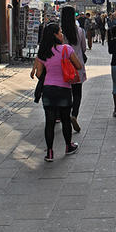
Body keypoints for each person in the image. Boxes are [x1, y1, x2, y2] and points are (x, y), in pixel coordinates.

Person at [31, 22, 81, 162]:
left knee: (50, 122)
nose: (62, 34)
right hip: (64, 89)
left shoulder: (43, 52)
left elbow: (39, 74)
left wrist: (50, 74)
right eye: (60, 32)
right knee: (65, 119)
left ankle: (50, 153)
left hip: (48, 90)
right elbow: (78, 66)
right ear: (55, 35)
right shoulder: (67, 49)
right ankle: (68, 146)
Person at [60, 6, 87, 132]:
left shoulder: (60, 32)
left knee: (66, 93)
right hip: (77, 66)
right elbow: (84, 48)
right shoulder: (80, 31)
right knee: (77, 93)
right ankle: (74, 114)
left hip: (63, 67)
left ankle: (65, 115)